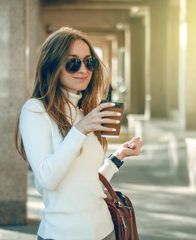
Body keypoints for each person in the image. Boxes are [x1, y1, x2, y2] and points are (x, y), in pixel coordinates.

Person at [15, 27, 143, 240]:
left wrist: (118, 157)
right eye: (73, 62)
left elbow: (88, 181)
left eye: (89, 62)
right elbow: (47, 179)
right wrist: (80, 130)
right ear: (53, 65)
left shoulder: (82, 111)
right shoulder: (35, 110)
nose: (83, 69)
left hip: (105, 230)